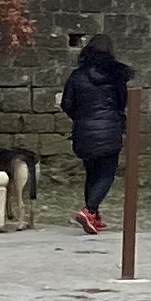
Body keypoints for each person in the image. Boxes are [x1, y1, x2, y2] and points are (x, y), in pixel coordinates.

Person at [59, 33, 132, 235]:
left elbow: (67, 103)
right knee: (107, 173)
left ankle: (94, 215)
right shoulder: (115, 76)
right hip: (109, 128)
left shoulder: (77, 76)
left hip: (83, 131)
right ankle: (89, 210)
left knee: (91, 173)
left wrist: (81, 118)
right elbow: (122, 102)